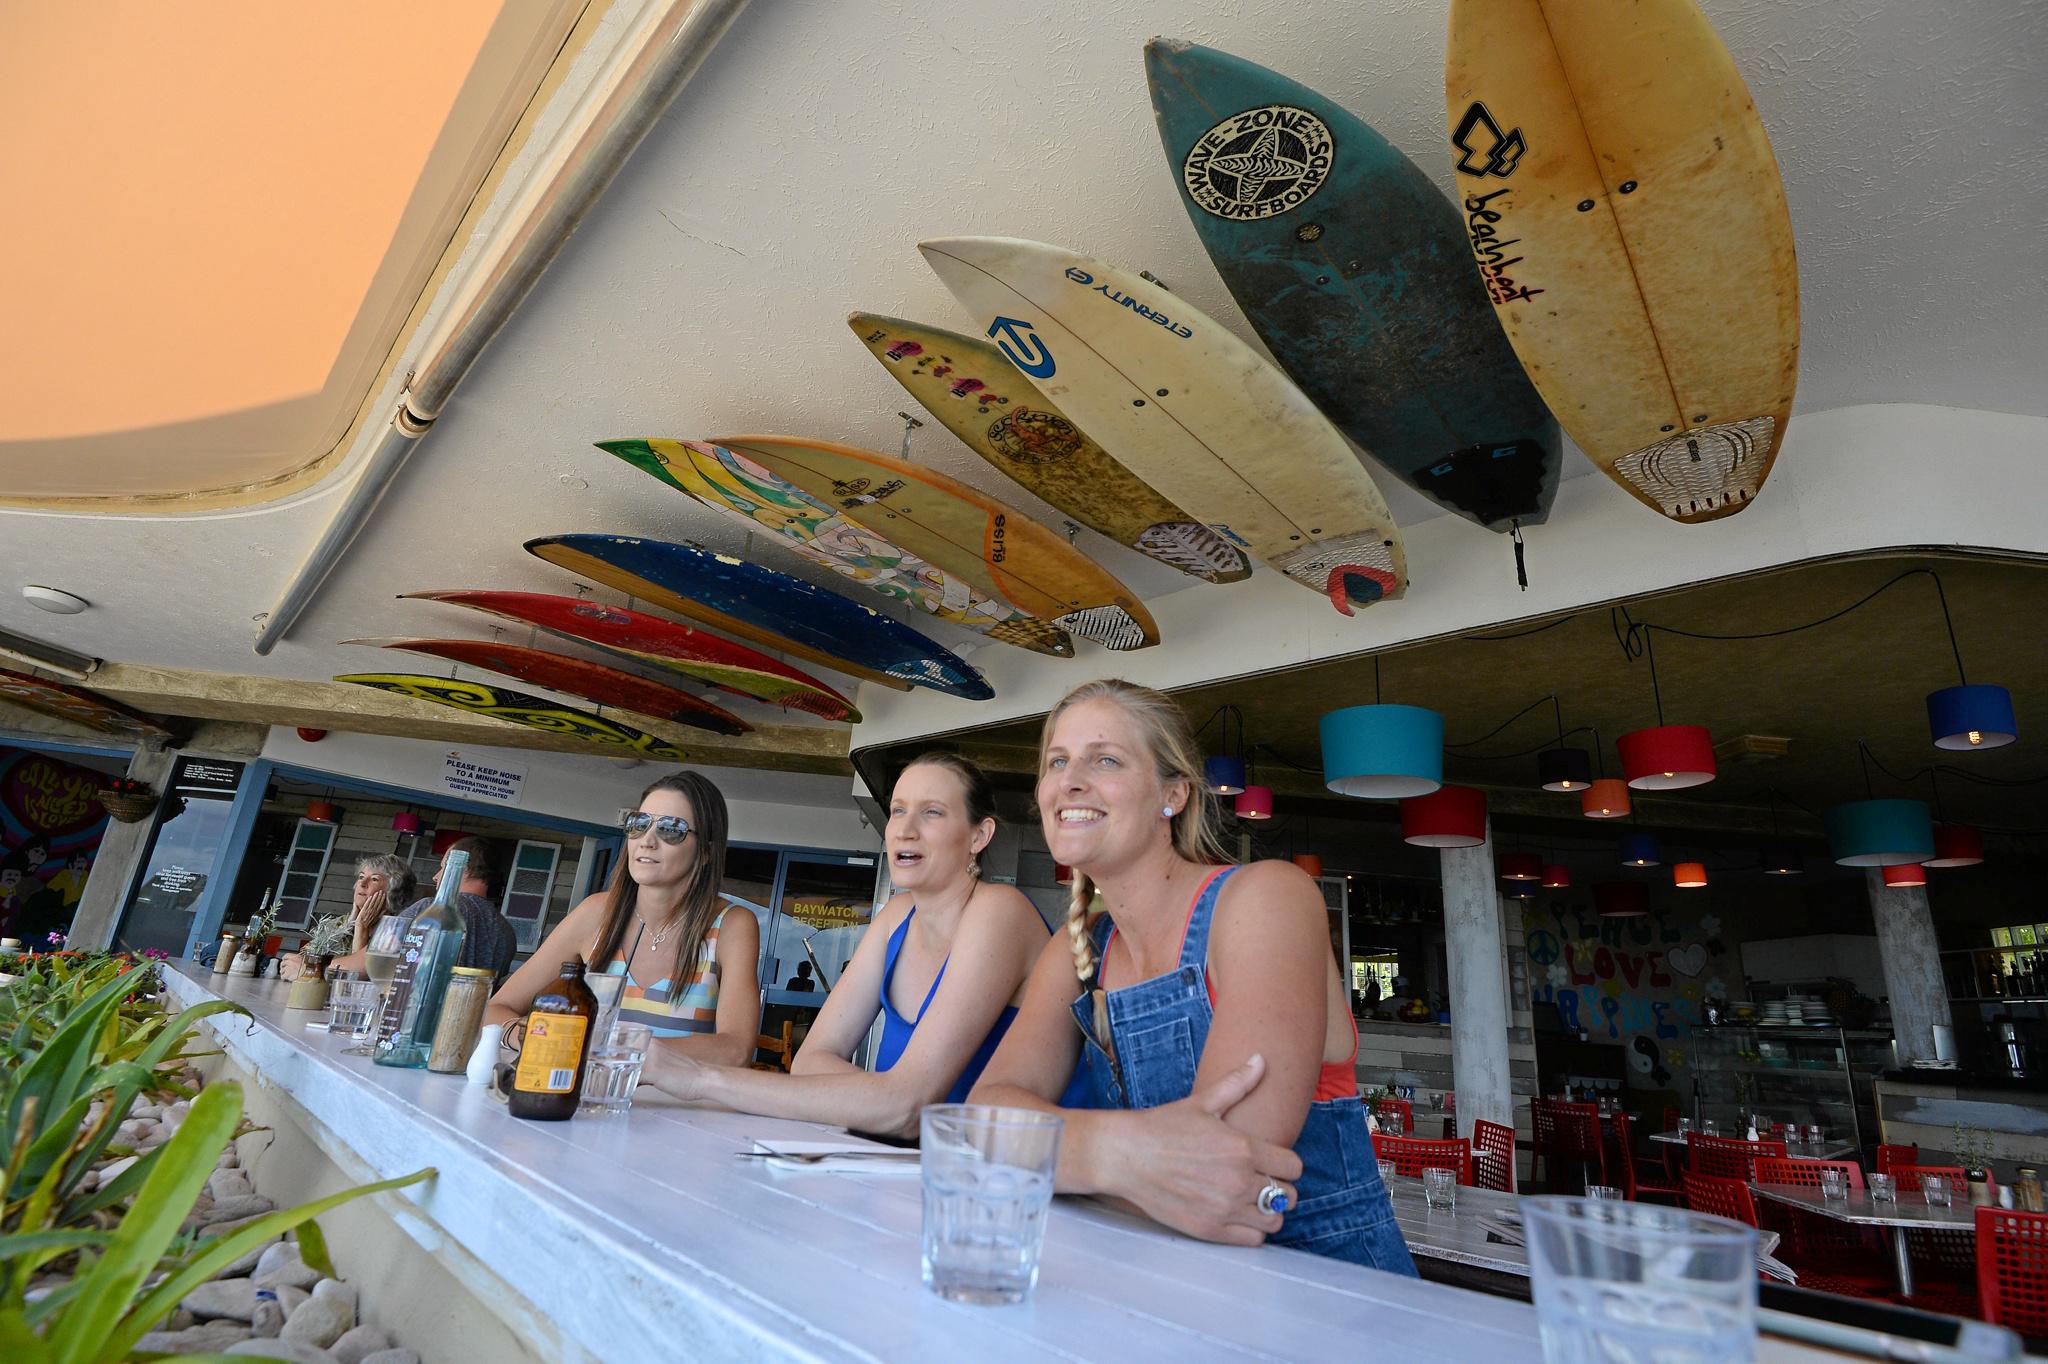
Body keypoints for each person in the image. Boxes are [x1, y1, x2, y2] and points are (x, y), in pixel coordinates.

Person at [970, 679, 1416, 1273]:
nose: (1070, 779)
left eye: (1104, 759)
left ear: (1173, 794)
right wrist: (1121, 1153)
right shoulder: (1078, 950)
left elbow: (1224, 1174)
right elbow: (979, 1123)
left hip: (1332, 1302)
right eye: (1057, 761)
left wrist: (1052, 1152)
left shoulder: (1267, 898)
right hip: (1163, 1290)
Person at [640, 754, 1052, 1136]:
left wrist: (700, 1078)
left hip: (1032, 1194)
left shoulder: (1000, 911)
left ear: (979, 835)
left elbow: (905, 1107)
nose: (905, 829)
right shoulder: (896, 916)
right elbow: (809, 1064)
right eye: (898, 811)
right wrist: (886, 1101)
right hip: (919, 1170)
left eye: (932, 812)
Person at [487, 772, 760, 1067]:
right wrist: (528, 1036)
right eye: (639, 824)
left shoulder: (732, 925)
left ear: (706, 851)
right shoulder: (596, 913)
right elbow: (497, 1008)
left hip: (674, 1110)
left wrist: (611, 1045)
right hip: (581, 1102)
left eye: (671, 829)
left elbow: (736, 1049)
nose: (647, 840)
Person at [328, 854, 419, 975]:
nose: (362, 883)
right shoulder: (340, 922)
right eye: (361, 877)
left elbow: (356, 977)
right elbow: (307, 960)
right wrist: (349, 925)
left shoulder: (395, 932)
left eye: (374, 879)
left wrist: (361, 928)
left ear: (393, 892)